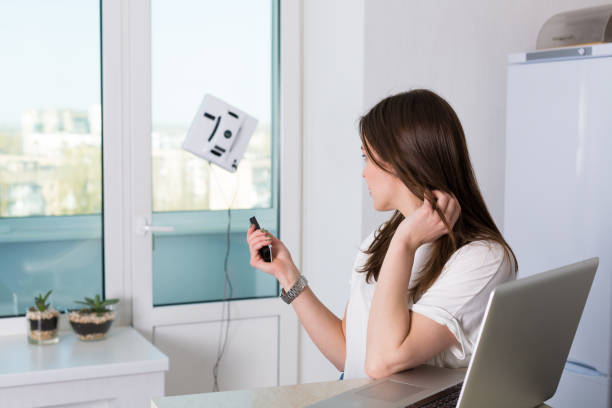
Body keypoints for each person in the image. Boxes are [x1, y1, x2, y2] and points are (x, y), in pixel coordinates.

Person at [246, 89, 517, 380]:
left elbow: (381, 363)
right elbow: (347, 354)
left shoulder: (481, 258)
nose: (363, 173)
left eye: (367, 158)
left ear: (403, 161)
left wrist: (405, 243)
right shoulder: (380, 238)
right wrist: (288, 274)